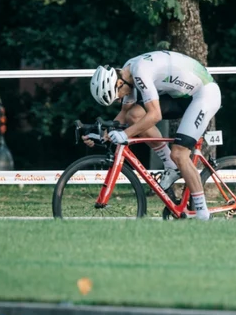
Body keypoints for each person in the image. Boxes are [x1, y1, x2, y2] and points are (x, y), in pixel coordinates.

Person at [86, 50, 221, 221]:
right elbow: (124, 115)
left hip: (204, 94)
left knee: (180, 153)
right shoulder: (128, 71)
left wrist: (125, 134)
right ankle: (170, 164)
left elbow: (155, 115)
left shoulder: (140, 72)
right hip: (181, 96)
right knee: (134, 116)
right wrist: (101, 134)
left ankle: (203, 215)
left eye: (117, 96)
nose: (120, 99)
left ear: (119, 83)